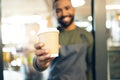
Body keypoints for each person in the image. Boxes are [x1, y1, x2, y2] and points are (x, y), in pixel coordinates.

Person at [33, 0, 94, 80]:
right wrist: (39, 63)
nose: (64, 13)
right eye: (58, 10)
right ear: (55, 14)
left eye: (67, 8)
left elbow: (91, 65)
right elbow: (39, 62)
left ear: (73, 9)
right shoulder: (51, 35)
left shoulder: (86, 35)